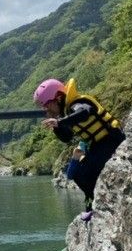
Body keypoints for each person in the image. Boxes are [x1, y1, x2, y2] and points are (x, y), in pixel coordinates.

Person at [34, 78, 125, 220]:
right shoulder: (66, 114)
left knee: (88, 173)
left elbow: (86, 112)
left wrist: (60, 121)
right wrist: (56, 127)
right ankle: (91, 206)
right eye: (45, 107)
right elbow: (67, 137)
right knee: (78, 174)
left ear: (58, 98)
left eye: (48, 104)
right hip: (98, 144)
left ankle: (94, 207)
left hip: (111, 139)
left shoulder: (76, 103)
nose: (47, 109)